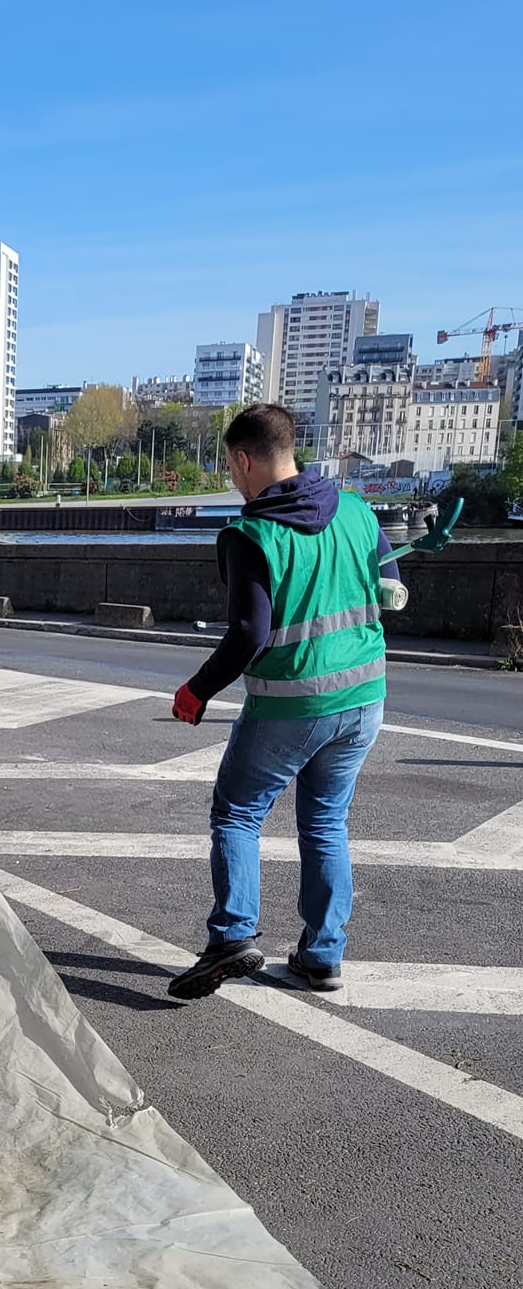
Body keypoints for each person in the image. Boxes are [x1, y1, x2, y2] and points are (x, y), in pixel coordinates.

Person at [166, 403, 398, 1001]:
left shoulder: (251, 533)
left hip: (291, 705)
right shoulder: (356, 510)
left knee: (238, 813)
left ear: (245, 460)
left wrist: (196, 691)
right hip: (365, 699)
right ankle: (322, 957)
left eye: (229, 466)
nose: (231, 479)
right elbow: (394, 591)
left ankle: (232, 937)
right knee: (325, 822)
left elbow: (249, 633)